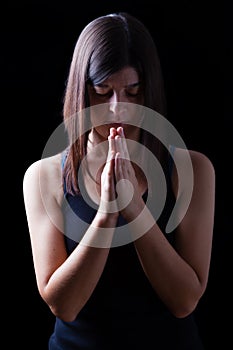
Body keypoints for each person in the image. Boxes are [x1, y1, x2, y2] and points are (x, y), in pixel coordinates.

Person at [23, 12, 215, 350]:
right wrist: (107, 214)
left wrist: (136, 210)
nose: (117, 109)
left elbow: (185, 301)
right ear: (81, 93)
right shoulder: (45, 175)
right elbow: (63, 305)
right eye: (102, 91)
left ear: (149, 90)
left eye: (133, 91)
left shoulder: (192, 170)